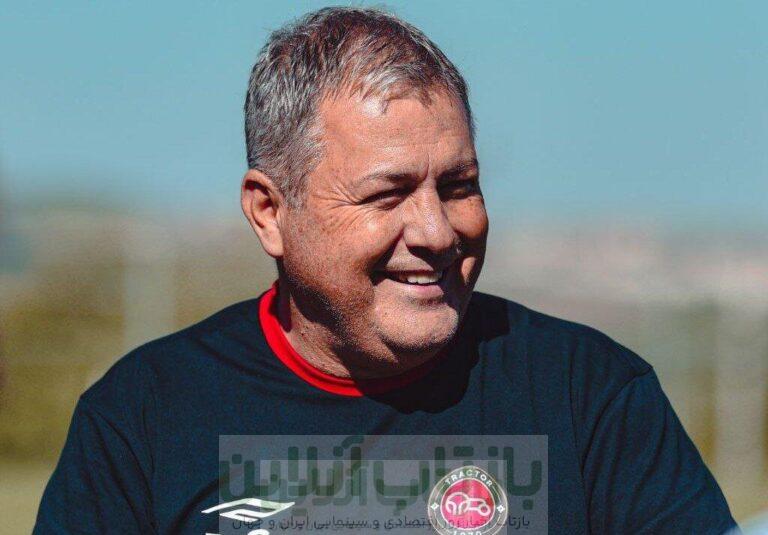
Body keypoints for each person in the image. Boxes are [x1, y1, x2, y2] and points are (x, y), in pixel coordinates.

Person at [34, 6, 738, 534]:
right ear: (269, 212)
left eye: (458, 186)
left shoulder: (592, 396)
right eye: (387, 194)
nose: (437, 231)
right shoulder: (144, 417)